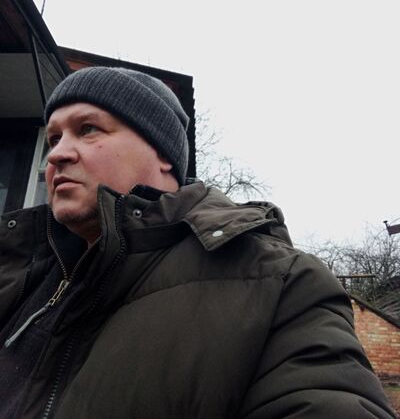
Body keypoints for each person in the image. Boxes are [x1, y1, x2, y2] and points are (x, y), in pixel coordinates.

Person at [0, 66, 395, 419]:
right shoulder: (18, 271)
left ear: (163, 153)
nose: (56, 155)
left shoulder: (278, 283)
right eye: (53, 138)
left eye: (88, 129)